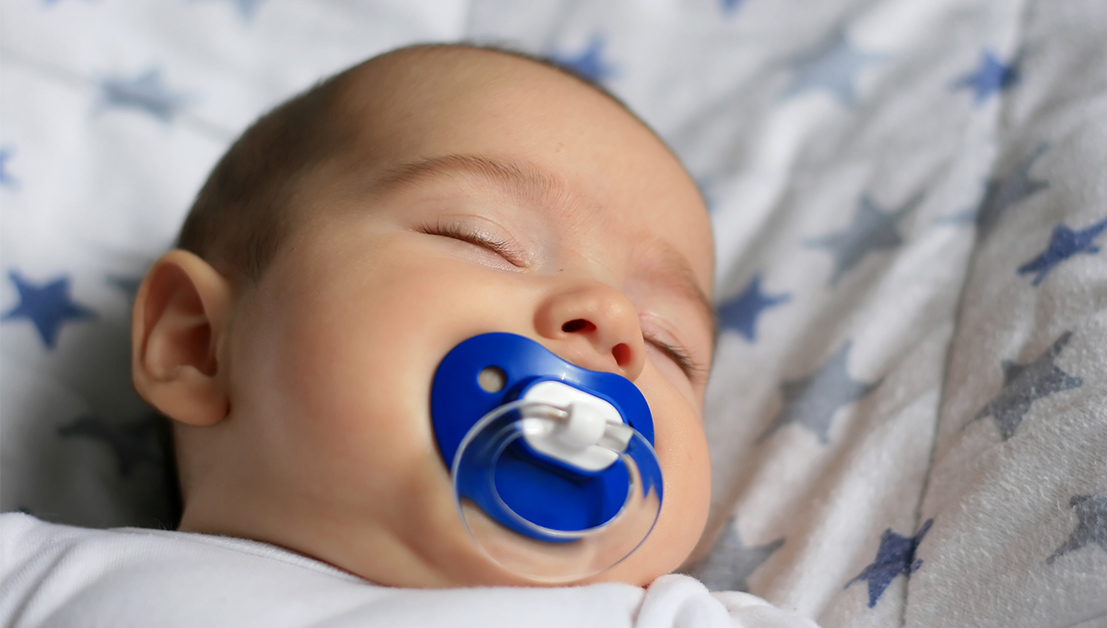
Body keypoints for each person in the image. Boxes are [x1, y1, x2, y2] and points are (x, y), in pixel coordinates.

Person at [0, 44, 815, 626]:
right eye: (479, 236)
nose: (611, 323)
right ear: (198, 343)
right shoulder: (37, 577)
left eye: (671, 346)